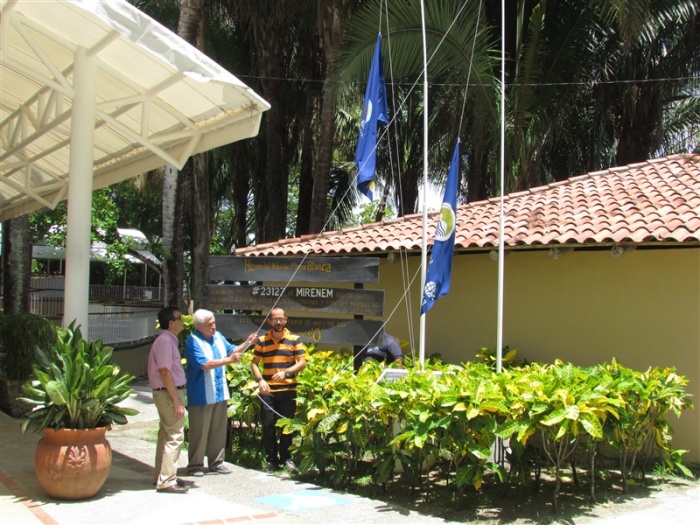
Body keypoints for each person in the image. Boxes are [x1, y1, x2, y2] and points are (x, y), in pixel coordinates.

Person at [184, 309, 258, 477]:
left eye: (214, 323)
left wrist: (247, 343)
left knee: (218, 429)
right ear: (200, 327)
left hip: (219, 392)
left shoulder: (218, 336)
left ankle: (216, 462)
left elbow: (232, 351)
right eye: (210, 324)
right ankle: (195, 464)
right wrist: (228, 360)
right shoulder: (193, 341)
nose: (214, 326)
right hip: (202, 394)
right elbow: (203, 364)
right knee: (199, 431)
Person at [251, 307, 307, 474]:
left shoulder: (294, 339)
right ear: (269, 321)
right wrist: (260, 380)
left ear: (285, 320)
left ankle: (286, 458)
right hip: (268, 391)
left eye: (281, 319)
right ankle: (271, 460)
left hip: (288, 389)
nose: (278, 322)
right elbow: (254, 363)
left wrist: (287, 373)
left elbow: (302, 362)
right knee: (268, 425)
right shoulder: (262, 340)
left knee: (287, 426)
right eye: (275, 319)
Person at [147, 306, 189, 494]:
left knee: (165, 434)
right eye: (180, 318)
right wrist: (177, 401)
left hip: (167, 393)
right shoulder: (165, 341)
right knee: (175, 435)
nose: (183, 321)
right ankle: (166, 481)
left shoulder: (168, 340)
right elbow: (165, 372)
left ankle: (162, 475)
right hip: (168, 393)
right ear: (171, 323)